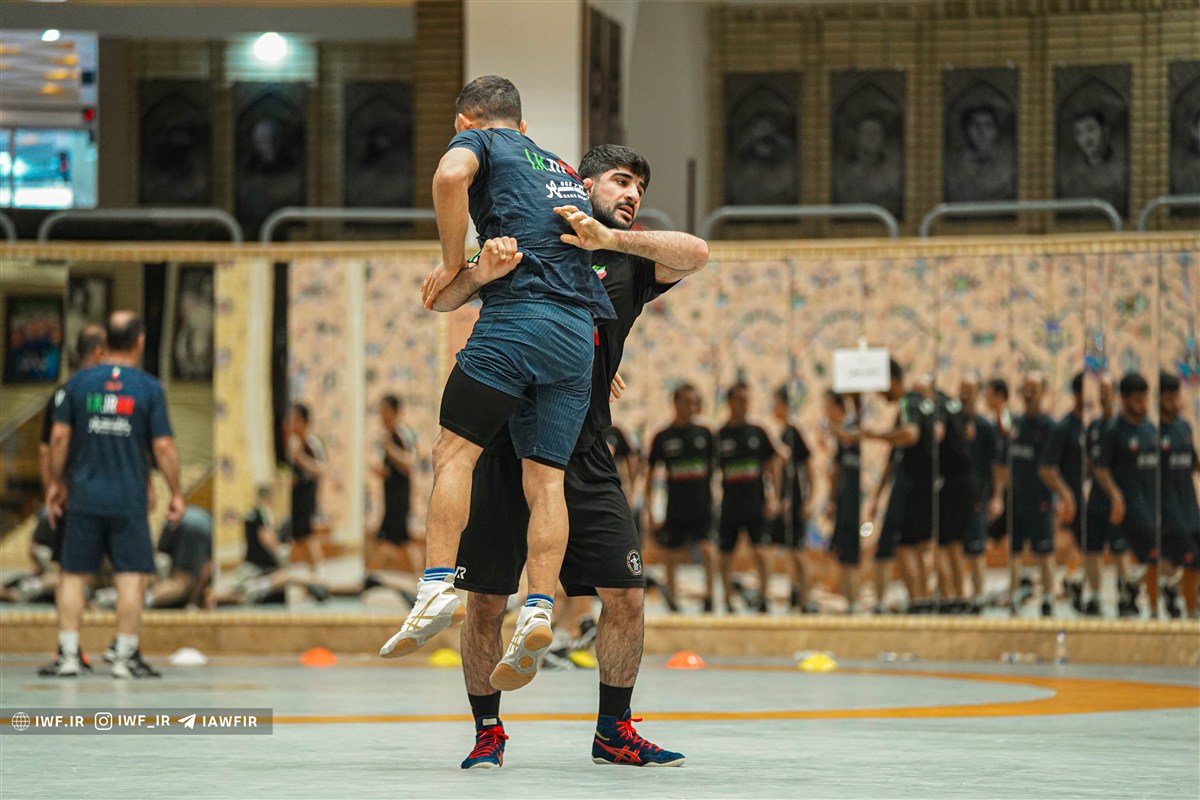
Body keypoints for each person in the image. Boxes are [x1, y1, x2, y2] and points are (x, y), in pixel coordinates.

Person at [432, 144, 706, 767]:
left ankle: (614, 731)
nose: (632, 193)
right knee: (485, 601)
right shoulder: (527, 238)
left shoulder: (630, 260)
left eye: (639, 187)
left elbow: (697, 252)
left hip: (580, 450)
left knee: (626, 595)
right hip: (502, 445)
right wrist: (470, 269)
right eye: (620, 181)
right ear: (580, 185)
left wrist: (611, 238)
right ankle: (487, 732)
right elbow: (449, 298)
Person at [383, 76, 617, 680]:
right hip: (577, 341)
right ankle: (539, 609)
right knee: (546, 481)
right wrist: (479, 274)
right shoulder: (562, 168)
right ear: (524, 123)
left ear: (465, 123)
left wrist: (451, 260)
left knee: (453, 452)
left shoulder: (482, 144)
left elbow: (447, 179)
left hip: (518, 324)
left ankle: (436, 588)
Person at [43, 311, 184, 678]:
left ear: (104, 341)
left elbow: (58, 438)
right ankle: (125, 655)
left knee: (73, 575)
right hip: (128, 498)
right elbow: (163, 447)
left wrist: (56, 483)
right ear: (140, 341)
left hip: (83, 497)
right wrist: (176, 492)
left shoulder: (78, 384)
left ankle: (68, 655)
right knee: (131, 576)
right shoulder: (149, 388)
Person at [865, 361, 935, 613]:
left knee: (905, 547)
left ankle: (917, 604)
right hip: (919, 486)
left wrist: (875, 435)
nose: (879, 393)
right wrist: (877, 497)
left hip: (913, 487)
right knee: (914, 547)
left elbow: (909, 435)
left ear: (892, 381)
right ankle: (922, 602)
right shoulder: (916, 405)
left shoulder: (909, 403)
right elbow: (893, 458)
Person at [997, 373, 1064, 617]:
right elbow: (1003, 461)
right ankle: (1014, 594)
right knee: (1013, 550)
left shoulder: (1050, 427)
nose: (1028, 393)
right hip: (1016, 499)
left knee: (1044, 552)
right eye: (1025, 388)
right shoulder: (1014, 423)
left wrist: (1059, 497)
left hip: (1041, 499)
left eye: (1033, 389)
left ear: (1043, 392)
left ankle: (1048, 598)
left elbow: (1053, 468)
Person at [1093, 373, 1159, 617]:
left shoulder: (1150, 428)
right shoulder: (1113, 431)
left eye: (1145, 399)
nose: (1142, 405)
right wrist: (1116, 496)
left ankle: (1132, 586)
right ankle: (1150, 609)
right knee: (1155, 555)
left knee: (1161, 559)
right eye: (1136, 400)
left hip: (1152, 503)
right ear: (1123, 399)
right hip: (1129, 507)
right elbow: (1100, 469)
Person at [646, 384, 716, 612]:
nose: (691, 407)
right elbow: (650, 475)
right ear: (676, 403)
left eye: (695, 402)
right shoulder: (663, 437)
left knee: (707, 548)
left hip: (702, 504)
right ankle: (673, 599)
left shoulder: (705, 434)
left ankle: (710, 597)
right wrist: (650, 510)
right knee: (671, 553)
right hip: (675, 505)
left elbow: (717, 469)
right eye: (687, 402)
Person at [716, 382, 781, 613]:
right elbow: (713, 469)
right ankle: (727, 599)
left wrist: (774, 496)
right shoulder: (720, 435)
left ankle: (764, 598)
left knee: (761, 552)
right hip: (730, 503)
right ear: (730, 402)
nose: (744, 405)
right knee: (725, 555)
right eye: (740, 400)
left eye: (747, 401)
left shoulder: (758, 432)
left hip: (756, 503)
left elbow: (773, 464)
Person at [1084, 374, 1132, 615]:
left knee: (1119, 550)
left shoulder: (1123, 426)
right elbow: (1088, 463)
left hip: (1117, 499)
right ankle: (1095, 597)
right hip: (1096, 499)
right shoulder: (1093, 427)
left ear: (1115, 394)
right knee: (1092, 550)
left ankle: (1125, 597)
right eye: (1100, 391)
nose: (1103, 396)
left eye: (1107, 391)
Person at [1038, 373, 1086, 612]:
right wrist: (1065, 495)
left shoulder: (1096, 425)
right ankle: (1059, 583)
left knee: (1089, 547)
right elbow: (1046, 468)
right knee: (1068, 543)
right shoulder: (1064, 427)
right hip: (1071, 499)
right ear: (1077, 394)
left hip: (1093, 498)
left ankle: (1072, 580)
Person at [770, 386, 817, 611]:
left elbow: (808, 466)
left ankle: (806, 599)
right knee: (790, 551)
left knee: (799, 552)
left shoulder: (794, 431)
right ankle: (796, 594)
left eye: (776, 404)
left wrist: (809, 499)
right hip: (788, 501)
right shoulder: (783, 433)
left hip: (797, 499)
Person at [959, 375, 1003, 611]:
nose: (965, 394)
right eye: (962, 389)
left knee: (976, 548)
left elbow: (996, 466)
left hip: (978, 494)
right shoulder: (953, 422)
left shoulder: (985, 427)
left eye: (969, 390)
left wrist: (997, 497)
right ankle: (958, 596)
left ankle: (978, 596)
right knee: (955, 548)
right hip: (956, 494)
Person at [1157, 372, 1199, 618]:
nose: (1175, 402)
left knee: (1187, 561)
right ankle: (1192, 616)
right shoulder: (1153, 432)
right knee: (1191, 559)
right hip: (1169, 509)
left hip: (1190, 505)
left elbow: (1193, 461)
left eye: (1176, 396)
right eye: (1169, 397)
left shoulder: (1184, 427)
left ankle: (1172, 587)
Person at [371, 394, 420, 573]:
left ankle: (371, 578)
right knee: (397, 543)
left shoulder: (401, 435)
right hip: (390, 500)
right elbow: (393, 469)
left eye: (385, 410)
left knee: (394, 543)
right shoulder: (389, 436)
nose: (382, 415)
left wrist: (389, 449)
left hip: (399, 501)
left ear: (396, 411)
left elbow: (409, 464)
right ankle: (372, 577)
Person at [825, 391, 862, 612]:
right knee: (843, 552)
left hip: (860, 507)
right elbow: (837, 470)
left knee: (856, 549)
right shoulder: (843, 436)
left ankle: (856, 601)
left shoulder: (858, 431)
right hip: (844, 502)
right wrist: (832, 500)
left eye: (829, 406)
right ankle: (851, 603)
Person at [285, 403, 325, 566]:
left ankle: (318, 573)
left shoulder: (312, 444)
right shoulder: (295, 444)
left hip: (307, 500)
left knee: (309, 538)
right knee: (298, 538)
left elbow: (320, 470)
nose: (291, 423)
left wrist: (300, 459)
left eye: (294, 419)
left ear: (304, 421)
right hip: (296, 499)